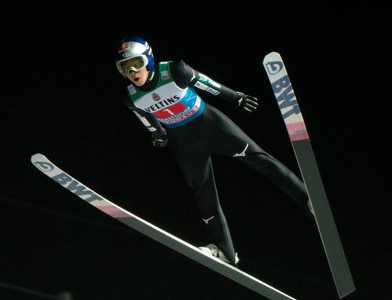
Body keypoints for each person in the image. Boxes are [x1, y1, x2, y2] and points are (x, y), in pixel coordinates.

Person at [115, 36, 314, 266]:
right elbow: (146, 118)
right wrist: (157, 134)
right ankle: (225, 250)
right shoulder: (130, 96)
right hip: (185, 142)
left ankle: (307, 200)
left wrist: (235, 97)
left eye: (135, 64)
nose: (131, 72)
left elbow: (206, 83)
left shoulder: (174, 70)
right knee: (203, 191)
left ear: (148, 60)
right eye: (124, 68)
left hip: (210, 125)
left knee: (259, 158)